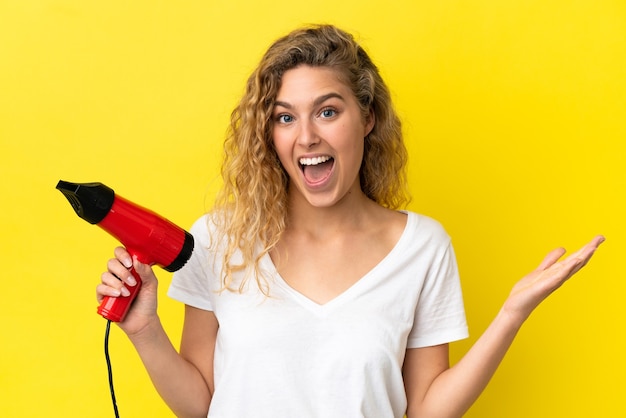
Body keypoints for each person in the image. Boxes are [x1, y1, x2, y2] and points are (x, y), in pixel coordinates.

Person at [97, 25, 604, 418]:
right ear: (268, 134)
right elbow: (202, 404)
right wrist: (144, 330)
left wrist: (512, 314)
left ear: (368, 117)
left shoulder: (422, 246)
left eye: (328, 111)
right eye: (285, 117)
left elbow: (426, 408)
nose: (307, 137)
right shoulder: (215, 240)